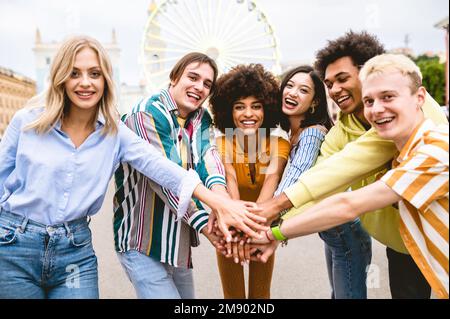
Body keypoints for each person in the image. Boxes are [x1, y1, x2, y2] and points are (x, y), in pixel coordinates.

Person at [0, 36, 265, 299]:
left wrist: (223, 202)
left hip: (79, 246)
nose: (85, 82)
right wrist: (212, 220)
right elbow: (162, 180)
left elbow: (172, 167)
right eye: (74, 73)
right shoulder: (28, 122)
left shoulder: (116, 133)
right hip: (24, 244)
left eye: (95, 73)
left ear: (106, 79)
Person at [250, 31, 448, 299]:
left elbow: (347, 194)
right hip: (405, 243)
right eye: (370, 100)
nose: (377, 109)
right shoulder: (344, 133)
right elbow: (323, 185)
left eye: (388, 97)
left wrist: (273, 215)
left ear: (419, 98)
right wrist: (274, 229)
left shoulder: (434, 147)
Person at [209, 64, 289, 299]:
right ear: (228, 111)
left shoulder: (279, 145)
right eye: (239, 107)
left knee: (260, 295)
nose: (248, 114)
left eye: (256, 106)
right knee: (232, 297)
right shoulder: (223, 144)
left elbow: (271, 184)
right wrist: (237, 231)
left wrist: (251, 231)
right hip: (230, 229)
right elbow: (230, 183)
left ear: (267, 109)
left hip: (263, 228)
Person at [274, 65, 333, 200]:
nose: (293, 93)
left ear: (314, 102)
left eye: (303, 90)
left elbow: (296, 178)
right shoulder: (290, 134)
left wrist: (268, 212)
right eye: (289, 86)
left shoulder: (312, 134)